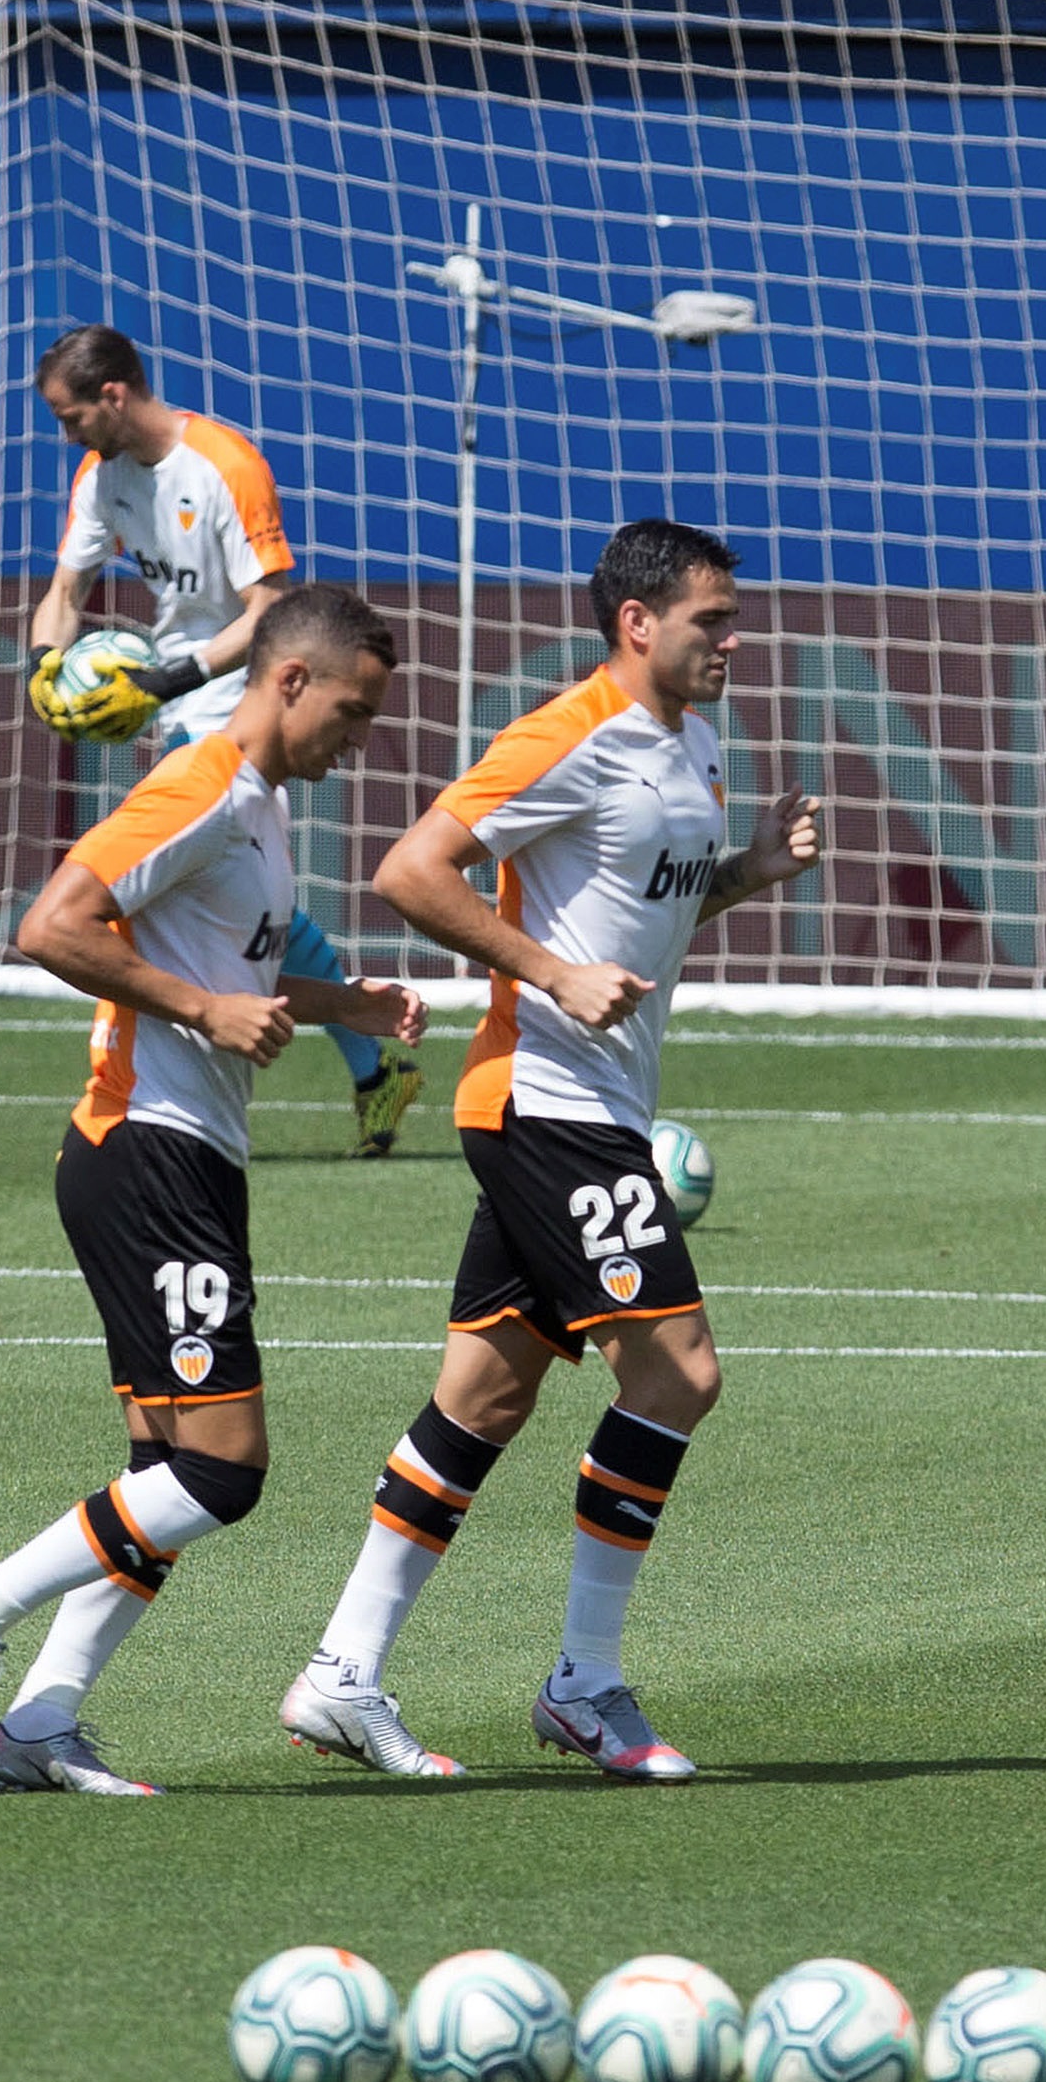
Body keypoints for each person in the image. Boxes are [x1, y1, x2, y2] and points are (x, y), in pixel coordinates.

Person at [282, 520, 818, 1783]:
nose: (734, 638)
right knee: (679, 1373)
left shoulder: (697, 741)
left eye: (733, 617)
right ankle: (585, 1683)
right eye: (712, 618)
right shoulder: (566, 732)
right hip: (542, 1100)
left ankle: (341, 1673)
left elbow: (650, 908)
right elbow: (410, 870)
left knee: (485, 1395)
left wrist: (744, 869)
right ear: (638, 621)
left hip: (600, 1104)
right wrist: (550, 972)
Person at [0, 584, 424, 1797]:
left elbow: (225, 968)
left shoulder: (261, 805)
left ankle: (44, 1715)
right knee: (220, 1472)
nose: (361, 740)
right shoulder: (198, 784)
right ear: (289, 680)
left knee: (160, 1477)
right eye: (353, 711)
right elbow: (53, 924)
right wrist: (200, 1011)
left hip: (187, 1157)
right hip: (145, 1151)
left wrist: (355, 1004)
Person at [22, 325, 427, 1159]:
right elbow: (67, 588)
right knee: (232, 892)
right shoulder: (100, 478)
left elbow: (271, 611)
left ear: (112, 395)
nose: (66, 437)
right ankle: (369, 1053)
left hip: (236, 700)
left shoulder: (222, 465)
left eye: (70, 418)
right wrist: (44, 665)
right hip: (173, 704)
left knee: (141, 900)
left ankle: (125, 1081)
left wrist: (175, 677)